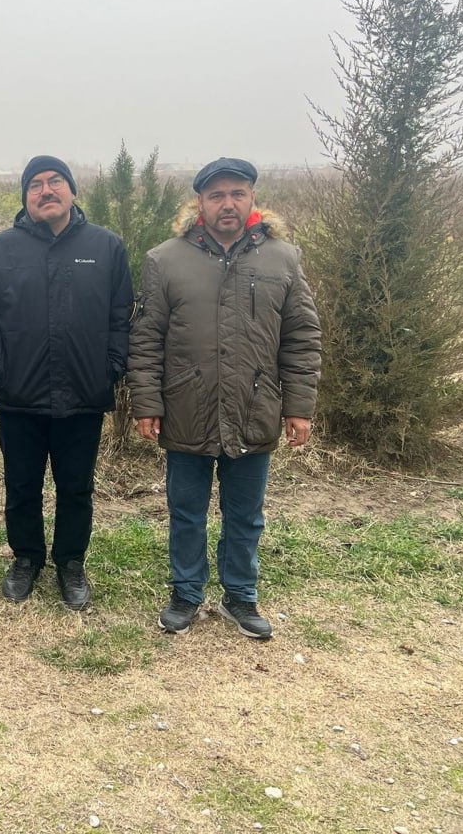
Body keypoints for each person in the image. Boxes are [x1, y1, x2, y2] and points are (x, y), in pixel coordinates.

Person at [128, 157, 321, 640]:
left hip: (255, 407)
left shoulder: (283, 259)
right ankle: (186, 593)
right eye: (216, 195)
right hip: (186, 408)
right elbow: (146, 339)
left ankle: (240, 595)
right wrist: (146, 402)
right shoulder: (165, 260)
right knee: (186, 513)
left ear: (252, 197)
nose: (227, 203)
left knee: (245, 515)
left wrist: (298, 407)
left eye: (237, 193)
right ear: (200, 202)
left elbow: (301, 337)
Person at [0, 155, 132, 609]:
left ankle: (71, 563)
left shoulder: (105, 247)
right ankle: (26, 558)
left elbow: (121, 316)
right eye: (35, 184)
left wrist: (110, 367)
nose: (46, 190)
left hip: (83, 394)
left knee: (76, 487)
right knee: (22, 486)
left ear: (72, 191)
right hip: (19, 396)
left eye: (55, 181)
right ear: (25, 197)